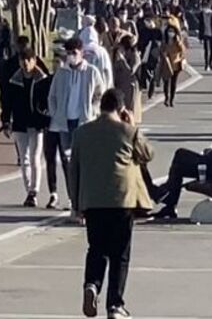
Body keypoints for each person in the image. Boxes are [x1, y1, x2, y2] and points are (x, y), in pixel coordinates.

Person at [68, 89, 153, 319]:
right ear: (121, 108)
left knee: (96, 248)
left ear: (101, 107)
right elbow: (147, 155)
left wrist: (76, 203)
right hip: (122, 200)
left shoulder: (82, 133)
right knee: (120, 254)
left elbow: (73, 169)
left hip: (92, 201)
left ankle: (92, 285)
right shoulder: (128, 132)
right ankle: (115, 305)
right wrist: (133, 124)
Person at [48, 37, 106, 210]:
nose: (71, 56)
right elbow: (52, 97)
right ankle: (74, 200)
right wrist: (56, 113)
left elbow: (100, 95)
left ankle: (86, 199)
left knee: (84, 161)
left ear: (81, 53)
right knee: (68, 162)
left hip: (84, 122)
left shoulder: (92, 72)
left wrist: (93, 111)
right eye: (68, 53)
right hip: (64, 123)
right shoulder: (61, 73)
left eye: (74, 53)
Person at [0, 48, 51, 208]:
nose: (25, 64)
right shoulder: (13, 81)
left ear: (34, 61)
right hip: (20, 124)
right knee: (24, 159)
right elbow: (6, 103)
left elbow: (48, 102)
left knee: (35, 157)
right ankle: (29, 190)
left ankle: (34, 191)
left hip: (37, 124)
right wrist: (6, 121)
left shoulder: (42, 80)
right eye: (23, 60)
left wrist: (47, 119)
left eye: (28, 60)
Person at [112, 35, 143, 125]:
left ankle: (130, 127)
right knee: (120, 108)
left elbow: (131, 71)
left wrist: (122, 60)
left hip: (130, 86)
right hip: (120, 85)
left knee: (129, 109)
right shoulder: (121, 55)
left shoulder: (135, 55)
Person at [159, 25, 186, 108]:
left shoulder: (177, 41)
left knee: (173, 83)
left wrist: (179, 42)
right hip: (167, 64)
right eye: (169, 31)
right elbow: (161, 50)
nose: (171, 33)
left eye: (172, 32)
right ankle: (166, 98)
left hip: (176, 64)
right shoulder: (165, 41)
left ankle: (172, 99)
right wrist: (163, 54)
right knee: (166, 82)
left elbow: (183, 51)